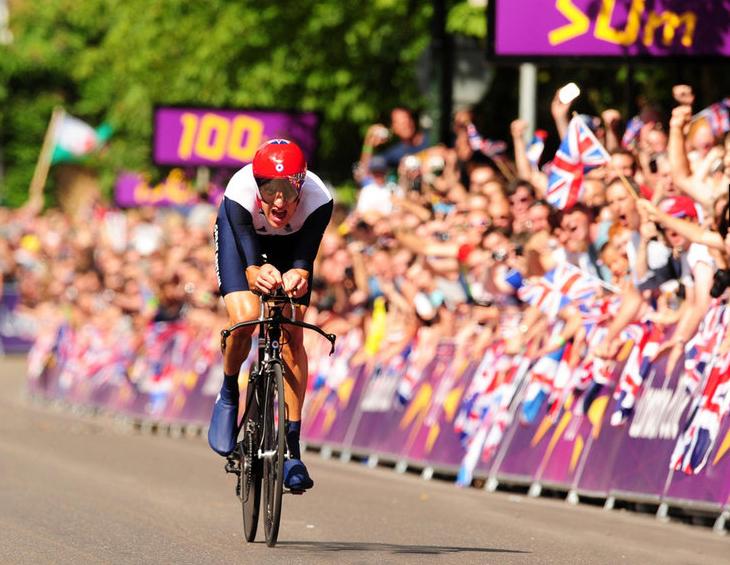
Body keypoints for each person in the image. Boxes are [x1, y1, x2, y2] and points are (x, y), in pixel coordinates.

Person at [208, 139, 333, 491]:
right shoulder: (239, 191)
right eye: (270, 190)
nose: (279, 201)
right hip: (244, 242)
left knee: (292, 332)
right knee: (246, 318)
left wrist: (299, 273)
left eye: (288, 191)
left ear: (301, 184)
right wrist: (257, 273)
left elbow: (304, 257)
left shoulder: (319, 199)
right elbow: (251, 270)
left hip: (290, 245)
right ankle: (230, 389)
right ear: (257, 183)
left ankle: (292, 448)